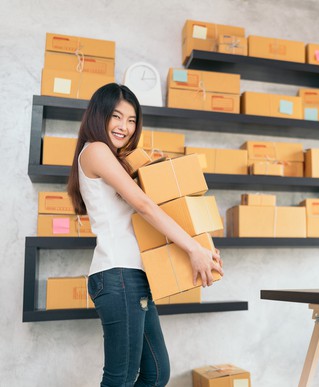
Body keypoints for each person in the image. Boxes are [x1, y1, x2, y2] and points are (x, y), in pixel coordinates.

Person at [67, 83, 223, 387]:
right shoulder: (96, 150)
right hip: (117, 273)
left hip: (133, 276)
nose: (124, 127)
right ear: (99, 115)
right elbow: (143, 205)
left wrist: (200, 247)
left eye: (131, 120)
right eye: (116, 116)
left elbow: (153, 207)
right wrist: (193, 249)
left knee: (155, 373)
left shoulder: (113, 158)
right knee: (120, 378)